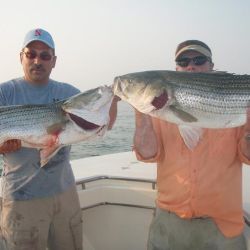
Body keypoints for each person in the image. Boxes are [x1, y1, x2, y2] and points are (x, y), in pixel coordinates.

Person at [0, 28, 118, 250]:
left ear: (54, 61)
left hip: (65, 194)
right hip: (21, 198)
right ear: (20, 57)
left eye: (45, 55)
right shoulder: (5, 92)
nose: (38, 60)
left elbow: (104, 124)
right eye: (31, 54)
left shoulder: (70, 93)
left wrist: (113, 101)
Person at [133, 40, 249, 250]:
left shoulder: (236, 111)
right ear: (176, 69)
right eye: (183, 61)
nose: (191, 66)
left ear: (211, 66)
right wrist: (142, 112)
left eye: (199, 60)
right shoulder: (159, 110)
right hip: (168, 221)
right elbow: (147, 154)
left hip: (222, 225)